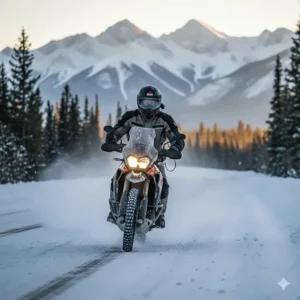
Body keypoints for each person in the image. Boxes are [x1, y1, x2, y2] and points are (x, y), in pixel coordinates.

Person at [102, 85, 185, 228]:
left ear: (159, 103)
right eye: (145, 102)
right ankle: (113, 209)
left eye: (152, 103)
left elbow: (176, 137)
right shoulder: (130, 117)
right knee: (116, 178)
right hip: (131, 156)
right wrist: (111, 141)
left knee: (164, 184)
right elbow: (117, 130)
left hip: (154, 159)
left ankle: (160, 215)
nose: (148, 106)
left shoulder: (165, 119)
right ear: (139, 102)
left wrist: (175, 148)